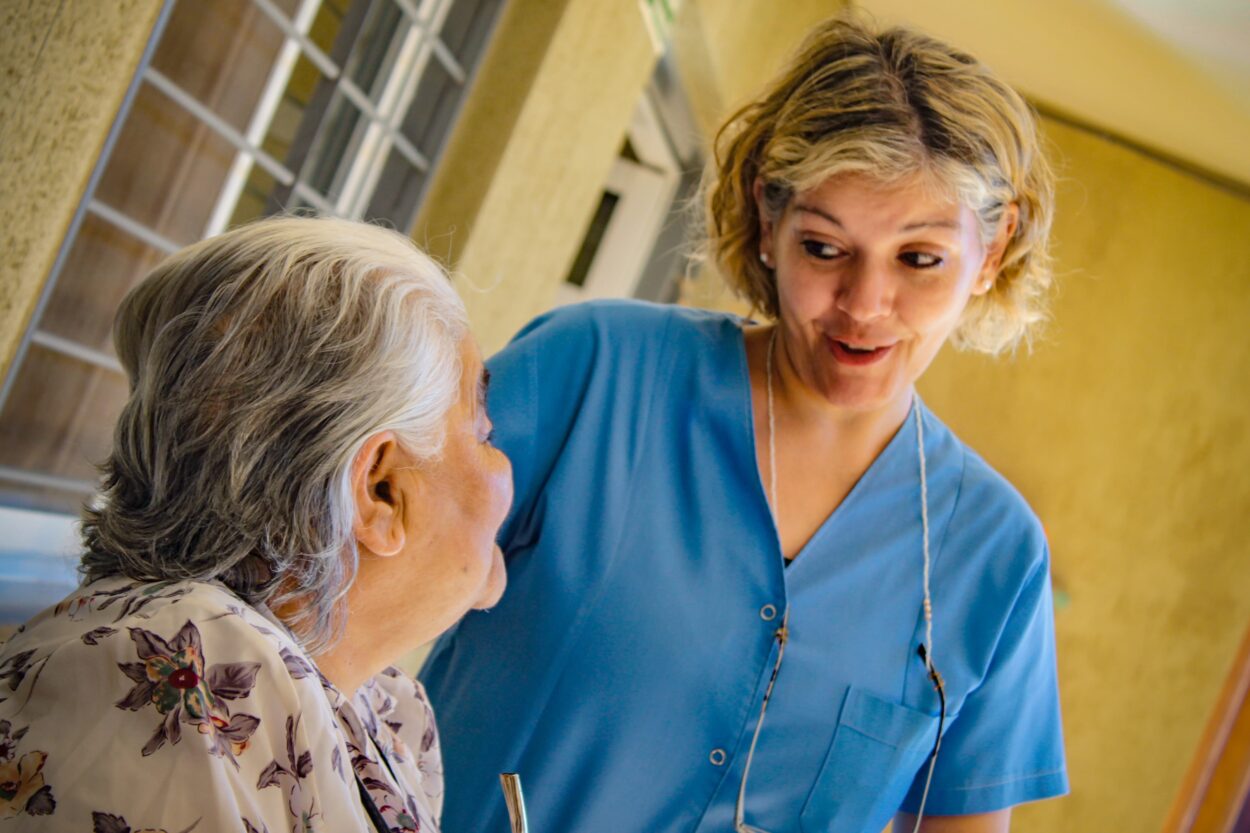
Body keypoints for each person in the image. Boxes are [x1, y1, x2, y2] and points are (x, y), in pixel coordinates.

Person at [421, 14, 1066, 833]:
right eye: (826, 249)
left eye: (919, 259)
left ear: (994, 249)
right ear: (769, 222)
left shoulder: (996, 556)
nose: (865, 306)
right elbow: (343, 586)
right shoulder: (595, 371)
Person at [0, 217, 512, 832]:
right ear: (380, 491)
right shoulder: (188, 673)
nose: (506, 463)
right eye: (483, 433)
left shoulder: (384, 711)